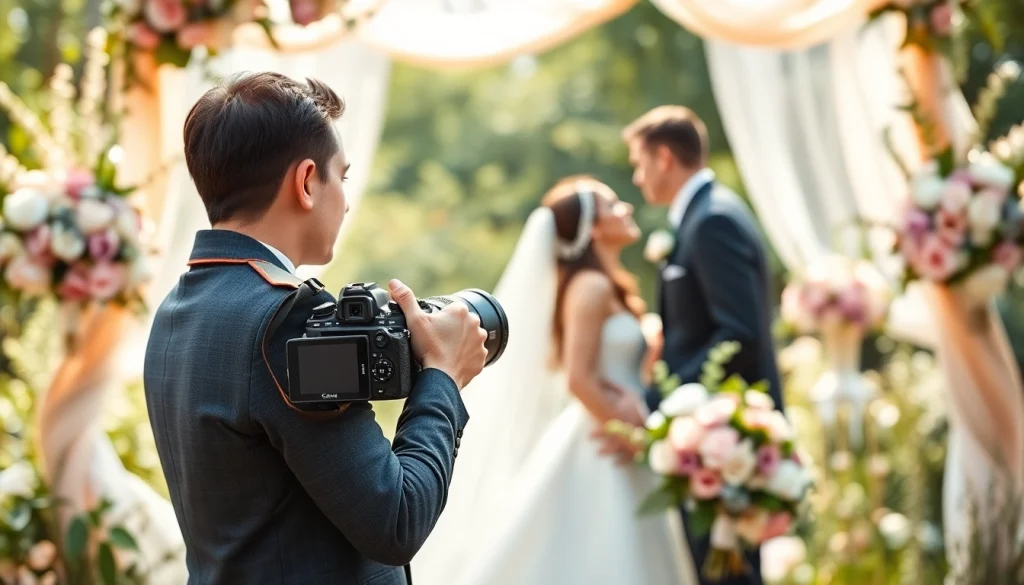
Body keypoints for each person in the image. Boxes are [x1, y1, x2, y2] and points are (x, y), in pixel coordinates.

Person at [143, 72, 489, 585]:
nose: (346, 200)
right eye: (342, 178)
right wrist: (442, 375)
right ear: (307, 182)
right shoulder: (287, 318)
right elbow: (395, 521)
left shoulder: (174, 310)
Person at [409, 176, 698, 585]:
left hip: (621, 429)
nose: (627, 209)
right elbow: (579, 378)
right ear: (592, 229)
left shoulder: (609, 286)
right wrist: (632, 435)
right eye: (613, 206)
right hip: (606, 439)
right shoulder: (590, 286)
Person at [618, 105, 783, 585]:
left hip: (723, 438)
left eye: (639, 162)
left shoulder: (712, 221)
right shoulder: (707, 213)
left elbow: (740, 335)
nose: (637, 175)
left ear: (664, 157)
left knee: (728, 575)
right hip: (712, 434)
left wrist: (665, 402)